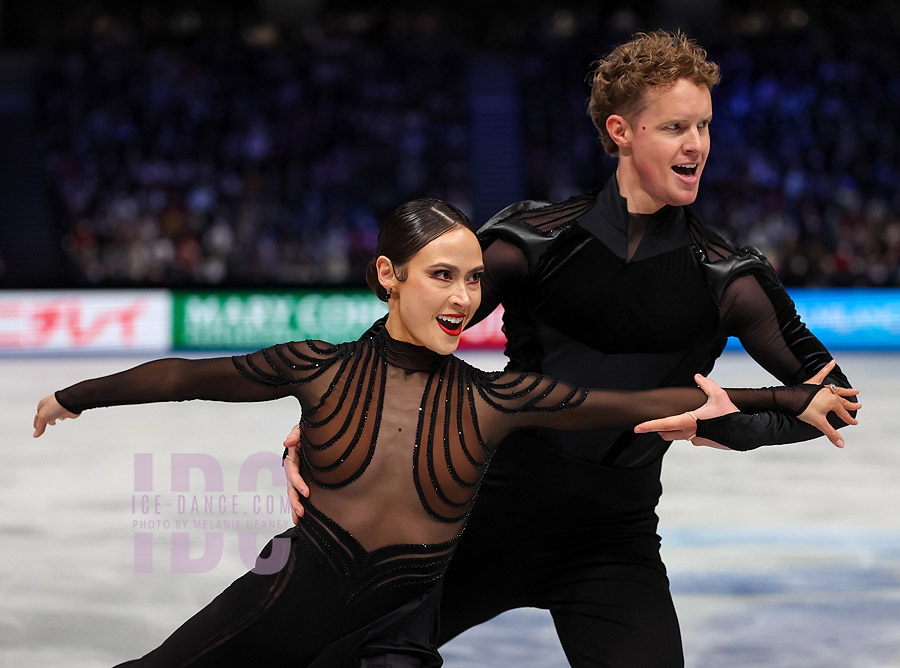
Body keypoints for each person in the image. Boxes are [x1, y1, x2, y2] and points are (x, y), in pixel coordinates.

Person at [33, 198, 857, 667]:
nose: (465, 298)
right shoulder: (321, 364)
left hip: (560, 559)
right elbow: (184, 377)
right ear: (389, 277)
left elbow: (634, 401)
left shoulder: (496, 395)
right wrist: (74, 395)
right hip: (324, 588)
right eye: (442, 276)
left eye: (472, 281)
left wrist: (781, 406)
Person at [278, 30, 861, 668]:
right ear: (621, 130)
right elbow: (412, 331)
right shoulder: (531, 239)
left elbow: (836, 400)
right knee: (343, 652)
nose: (697, 145)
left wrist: (738, 425)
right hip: (480, 515)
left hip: (612, 545)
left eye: (704, 126)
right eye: (674, 127)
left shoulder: (730, 276)